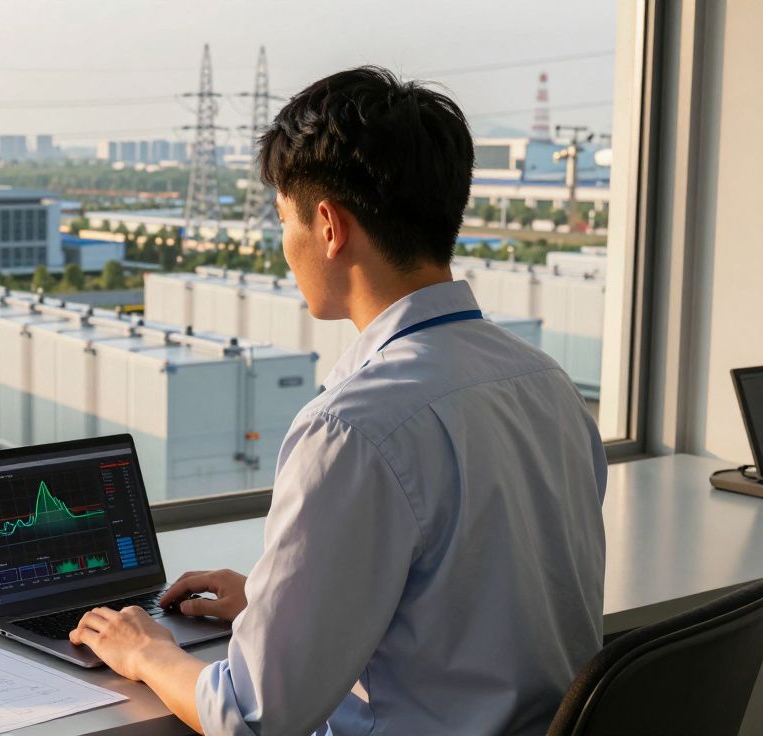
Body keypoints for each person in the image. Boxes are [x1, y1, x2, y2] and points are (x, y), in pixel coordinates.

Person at [69, 66, 607, 735]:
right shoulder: (547, 384)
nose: (284, 249)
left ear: (328, 225)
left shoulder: (353, 427)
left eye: (283, 222)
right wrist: (275, 605)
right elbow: (471, 606)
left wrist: (146, 652)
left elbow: (253, 718)